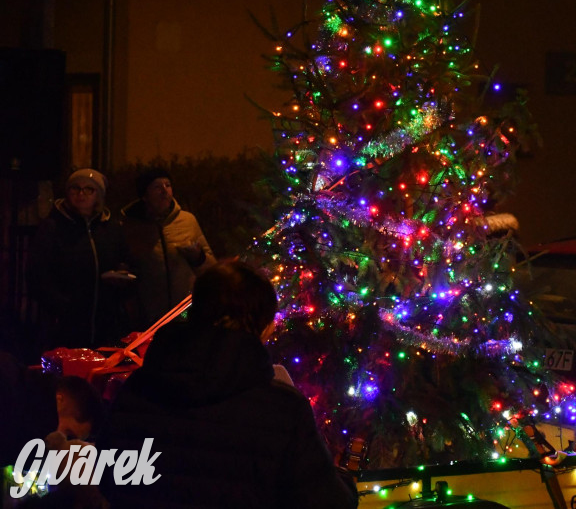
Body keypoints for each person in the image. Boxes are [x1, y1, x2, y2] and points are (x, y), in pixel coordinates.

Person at [101, 261, 358, 508]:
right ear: (264, 327)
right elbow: (326, 501)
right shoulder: (281, 409)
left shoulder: (138, 389)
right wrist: (342, 479)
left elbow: (108, 477)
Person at [27, 169, 133, 349]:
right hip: (65, 324)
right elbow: (37, 274)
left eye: (88, 189)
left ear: (98, 195)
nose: (81, 194)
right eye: (75, 188)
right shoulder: (53, 227)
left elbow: (126, 262)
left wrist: (122, 279)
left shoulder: (111, 228)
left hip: (104, 322)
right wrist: (61, 306)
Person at [121, 167, 214, 328]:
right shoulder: (130, 227)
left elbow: (211, 268)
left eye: (168, 185)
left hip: (186, 314)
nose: (164, 191)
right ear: (145, 195)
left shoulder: (187, 221)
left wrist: (198, 257)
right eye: (157, 187)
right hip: (149, 318)